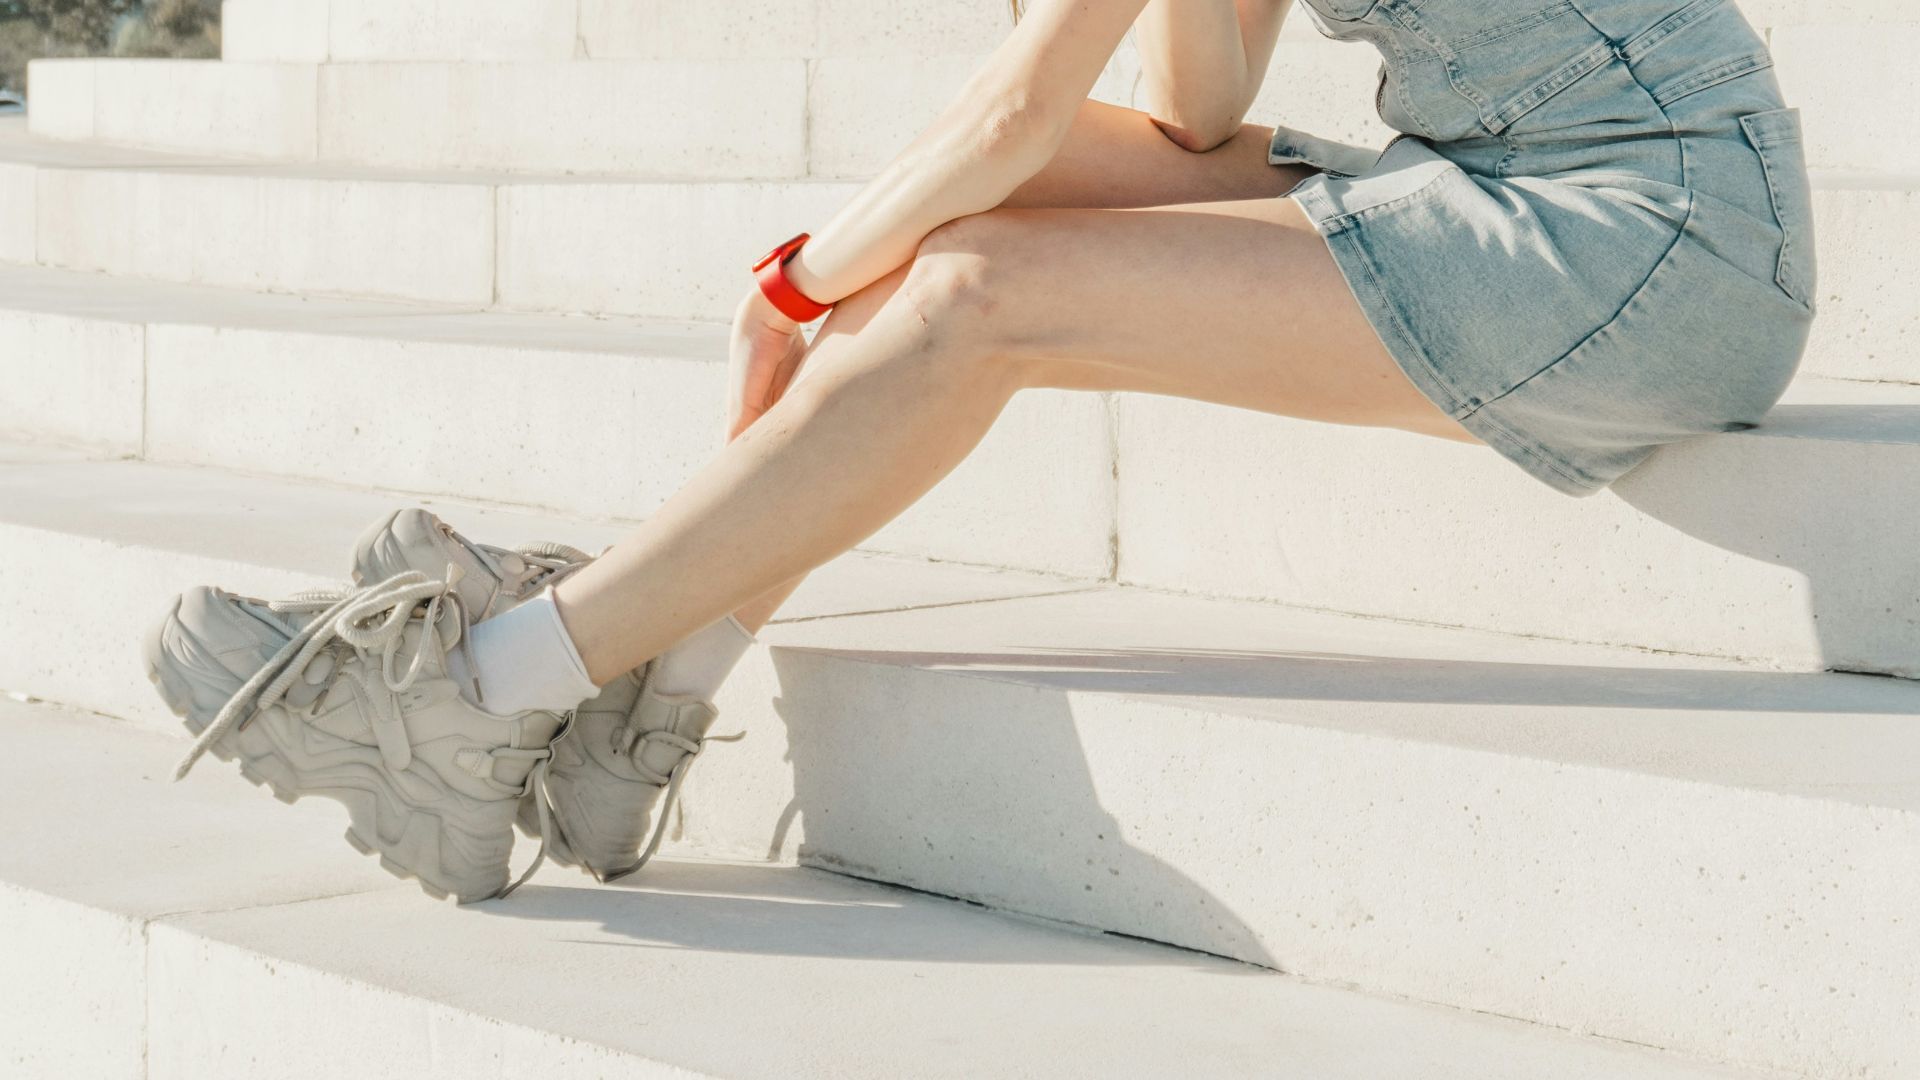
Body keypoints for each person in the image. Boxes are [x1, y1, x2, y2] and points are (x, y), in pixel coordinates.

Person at [146, 0, 1816, 902]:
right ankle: (645, 700)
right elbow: (1197, 112)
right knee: (980, 209)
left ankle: (485, 692)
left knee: (975, 278)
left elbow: (1016, 127)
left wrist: (797, 279)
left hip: (1656, 240)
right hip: (1530, 184)